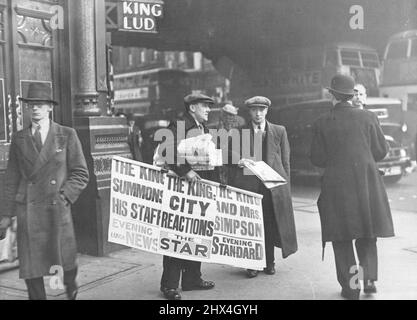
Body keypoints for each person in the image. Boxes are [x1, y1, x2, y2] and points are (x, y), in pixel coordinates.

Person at [0, 82, 89, 300]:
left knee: (64, 259)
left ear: (50, 107)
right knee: (31, 265)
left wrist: (64, 195)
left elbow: (80, 173)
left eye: (40, 105)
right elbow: (11, 178)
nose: (35, 109)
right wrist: (4, 214)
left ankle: (70, 286)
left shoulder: (66, 135)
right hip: (28, 210)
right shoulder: (19, 139)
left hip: (56, 207)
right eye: (31, 105)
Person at [310, 74, 395, 300]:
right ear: (350, 95)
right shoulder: (368, 117)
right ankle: (368, 281)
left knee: (342, 237)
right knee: (367, 233)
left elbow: (317, 158)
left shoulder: (322, 122)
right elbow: (381, 151)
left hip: (337, 188)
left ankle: (351, 288)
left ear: (332, 96)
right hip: (366, 183)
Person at [159, 93, 217, 300]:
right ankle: (170, 285)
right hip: (180, 189)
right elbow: (167, 149)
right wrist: (186, 171)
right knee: (177, 234)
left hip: (198, 189)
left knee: (197, 232)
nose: (208, 110)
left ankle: (192, 278)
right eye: (204, 106)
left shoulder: (204, 128)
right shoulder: (180, 124)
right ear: (192, 108)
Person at [232, 96, 298, 278]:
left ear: (267, 111)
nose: (258, 113)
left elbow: (286, 160)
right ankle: (252, 263)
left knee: (270, 224)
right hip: (250, 185)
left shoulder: (279, 130)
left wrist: (287, 188)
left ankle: (269, 262)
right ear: (249, 112)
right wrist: (238, 161)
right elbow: (231, 157)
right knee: (252, 226)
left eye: (261, 109)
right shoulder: (239, 132)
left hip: (272, 186)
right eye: (254, 110)